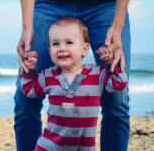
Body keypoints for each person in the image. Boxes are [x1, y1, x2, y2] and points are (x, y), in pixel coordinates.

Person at [15, 0, 136, 150]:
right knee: (24, 99)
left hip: (106, 4)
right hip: (48, 2)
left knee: (117, 101)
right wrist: (27, 26)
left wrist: (118, 24)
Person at [20, 17, 128, 151]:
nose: (61, 48)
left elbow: (119, 84)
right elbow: (29, 90)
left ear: (85, 49)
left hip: (84, 147)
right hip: (49, 146)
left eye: (69, 42)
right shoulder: (47, 75)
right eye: (55, 44)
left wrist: (112, 64)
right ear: (49, 52)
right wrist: (30, 71)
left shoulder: (97, 74)